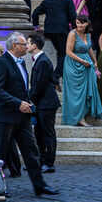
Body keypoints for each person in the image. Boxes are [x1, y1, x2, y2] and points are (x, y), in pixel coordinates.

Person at [0, 32, 58, 197]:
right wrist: (18, 103)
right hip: (5, 116)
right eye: (23, 44)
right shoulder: (1, 63)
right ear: (14, 46)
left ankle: (39, 185)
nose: (27, 47)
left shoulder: (22, 63)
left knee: (31, 151)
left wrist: (26, 102)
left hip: (22, 117)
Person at [61, 16, 102, 127]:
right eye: (77, 23)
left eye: (82, 23)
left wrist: (95, 61)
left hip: (86, 64)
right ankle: (79, 118)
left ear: (87, 24)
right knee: (76, 93)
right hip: (74, 64)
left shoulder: (88, 34)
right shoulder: (72, 34)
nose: (79, 25)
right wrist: (83, 61)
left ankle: (84, 114)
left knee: (85, 91)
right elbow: (68, 52)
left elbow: (88, 48)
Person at [27, 33, 59, 173]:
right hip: (41, 103)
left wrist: (29, 98)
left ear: (34, 45)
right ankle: (41, 161)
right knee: (39, 133)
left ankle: (49, 163)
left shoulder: (44, 61)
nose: (26, 46)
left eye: (27, 43)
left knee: (48, 133)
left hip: (47, 104)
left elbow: (39, 84)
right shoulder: (39, 60)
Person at [31, 0, 77, 82]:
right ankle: (56, 76)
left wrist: (36, 26)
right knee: (63, 52)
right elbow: (73, 16)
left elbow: (35, 13)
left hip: (49, 31)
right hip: (62, 30)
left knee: (60, 52)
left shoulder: (47, 1)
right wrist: (74, 28)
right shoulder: (67, 0)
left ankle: (59, 74)